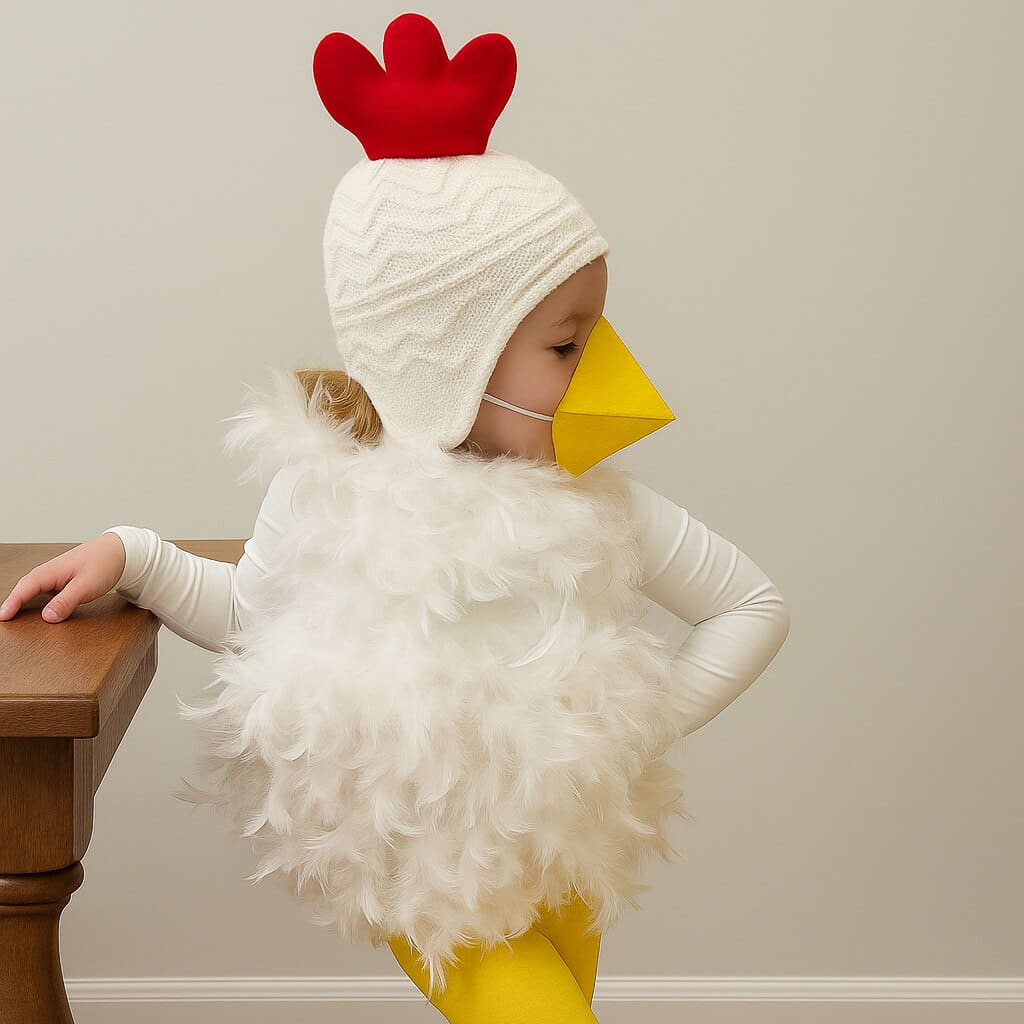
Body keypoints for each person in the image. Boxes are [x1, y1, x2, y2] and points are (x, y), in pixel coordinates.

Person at [0, 13, 791, 1022]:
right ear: (445, 358)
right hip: (437, 883)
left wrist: (626, 733)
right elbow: (254, 617)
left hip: (564, 867)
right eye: (565, 345)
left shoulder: (600, 509)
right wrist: (137, 555)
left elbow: (751, 603)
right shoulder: (331, 494)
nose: (600, 369)